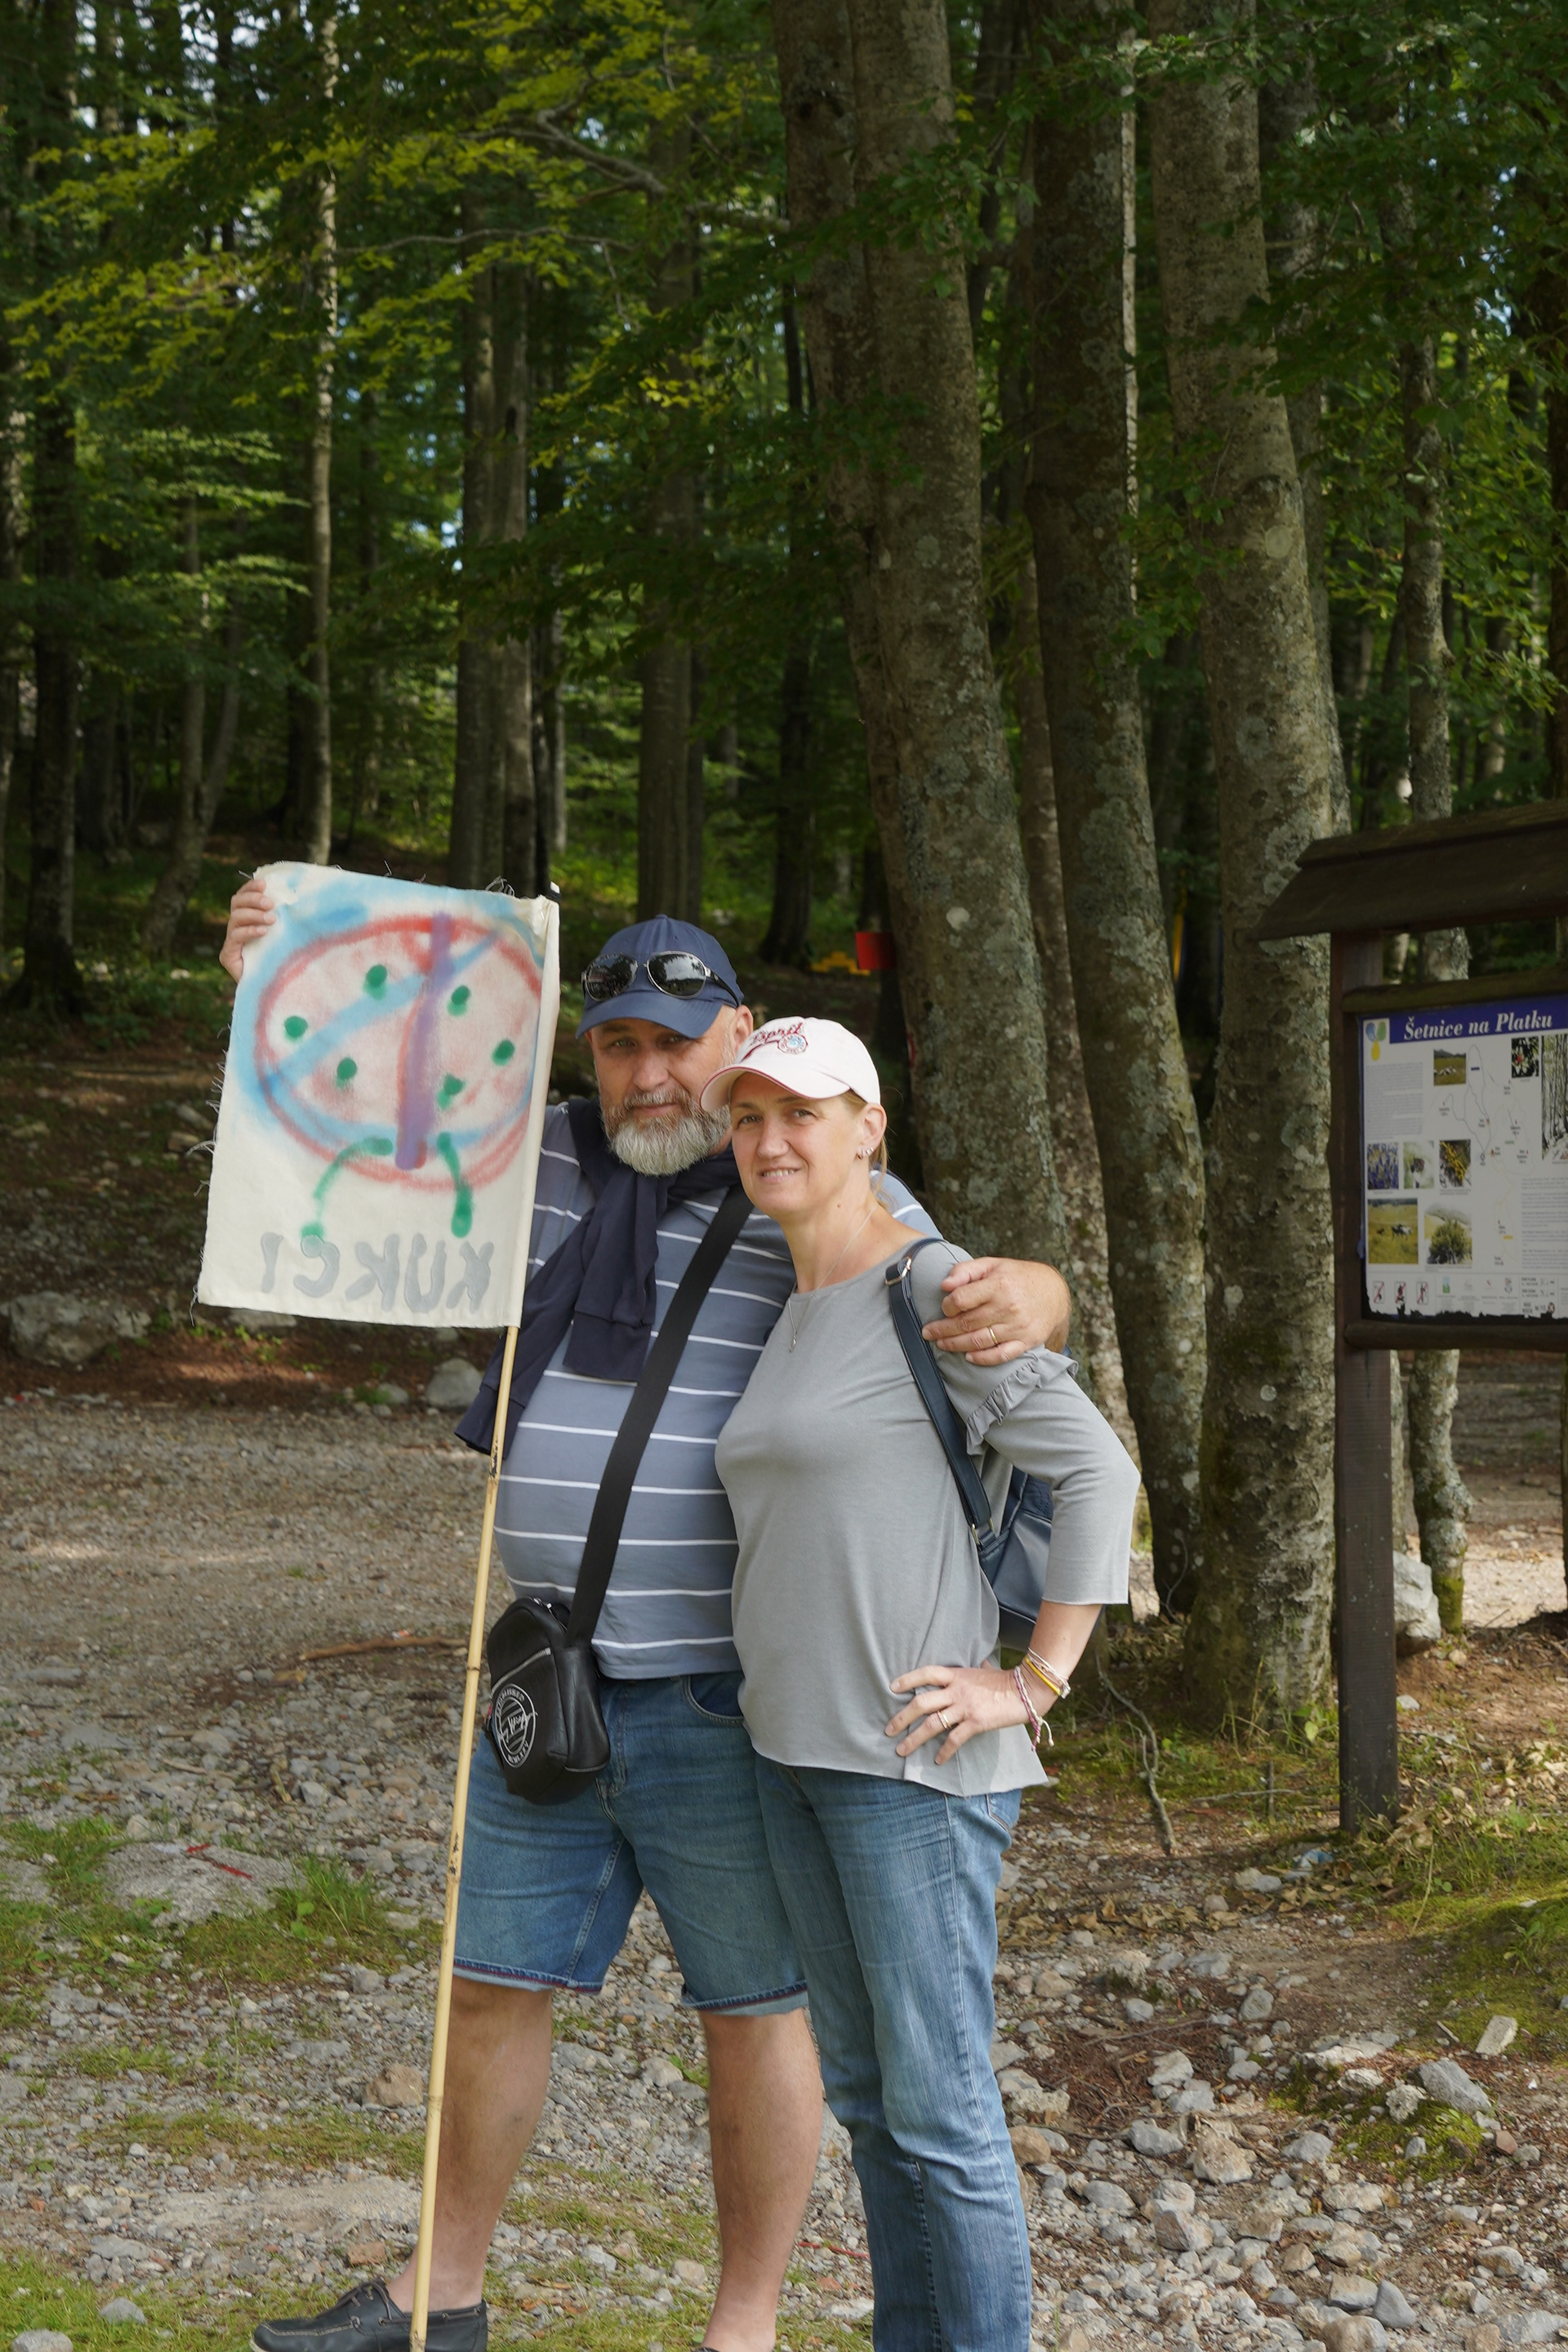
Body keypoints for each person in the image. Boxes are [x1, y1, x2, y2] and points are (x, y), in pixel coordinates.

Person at [219, 880, 1072, 2352]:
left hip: (725, 1698)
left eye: (680, 1043)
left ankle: (741, 2328)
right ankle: (440, 2299)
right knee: (488, 1987)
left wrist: (1043, 1296)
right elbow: (355, 1129)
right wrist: (273, 977)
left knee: (753, 2011)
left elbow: (970, 1288)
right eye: (619, 1044)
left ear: (743, 1039)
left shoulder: (795, 1178)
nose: (651, 1074)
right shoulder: (533, 1160)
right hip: (544, 1670)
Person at [706, 1016, 1140, 2352]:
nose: (772, 1140)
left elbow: (1099, 1472)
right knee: (868, 2098)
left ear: (868, 1130)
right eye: (749, 1117)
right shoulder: (793, 1298)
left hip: (911, 1765)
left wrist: (1034, 1681)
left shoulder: (936, 1286)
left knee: (943, 2114)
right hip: (792, 1757)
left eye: (803, 1113)